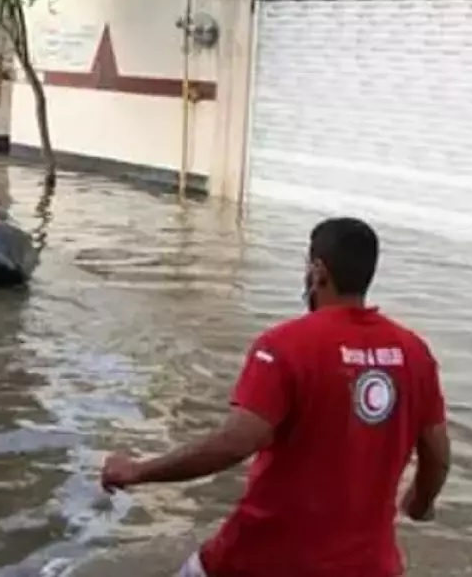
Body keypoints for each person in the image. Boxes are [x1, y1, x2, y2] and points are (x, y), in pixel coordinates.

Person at [100, 217, 451, 577]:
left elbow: (235, 443)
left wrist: (138, 471)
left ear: (319, 271)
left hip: (265, 559)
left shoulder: (284, 346)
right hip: (371, 566)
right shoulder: (414, 353)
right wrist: (420, 503)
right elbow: (437, 455)